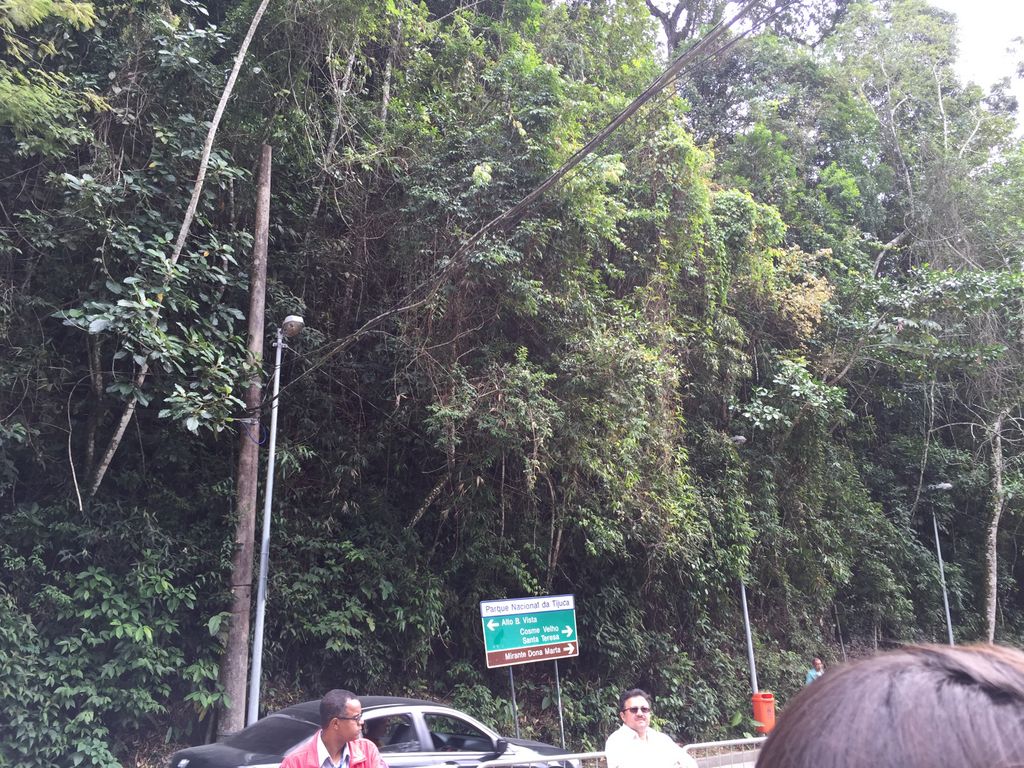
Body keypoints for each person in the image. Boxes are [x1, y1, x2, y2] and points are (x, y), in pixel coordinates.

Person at [757, 644, 1024, 768]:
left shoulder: (826, 673)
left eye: (818, 664)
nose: (816, 666)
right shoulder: (813, 678)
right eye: (815, 664)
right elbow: (810, 687)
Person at [279, 689, 387, 768]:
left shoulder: (367, 751)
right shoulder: (295, 763)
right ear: (335, 723)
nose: (362, 722)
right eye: (356, 718)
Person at [604, 688, 697, 768]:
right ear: (623, 716)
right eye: (634, 710)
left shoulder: (661, 739)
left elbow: (690, 764)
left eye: (644, 709)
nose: (640, 713)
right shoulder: (616, 742)